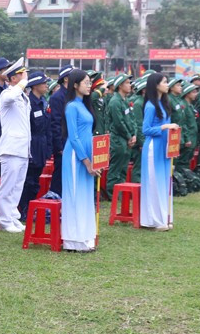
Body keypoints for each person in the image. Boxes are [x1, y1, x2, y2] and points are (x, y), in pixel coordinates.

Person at [61, 70, 101, 253]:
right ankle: (72, 240)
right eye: (85, 82)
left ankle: (85, 236)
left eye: (89, 82)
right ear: (75, 85)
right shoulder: (71, 106)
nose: (89, 85)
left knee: (85, 196)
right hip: (75, 157)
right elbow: (74, 137)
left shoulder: (84, 105)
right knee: (75, 195)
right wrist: (86, 162)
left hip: (88, 156)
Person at [0, 58, 30, 233]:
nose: (26, 77)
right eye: (21, 75)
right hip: (11, 148)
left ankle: (13, 216)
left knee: (18, 185)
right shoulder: (7, 94)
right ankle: (4, 219)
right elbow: (11, 96)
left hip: (23, 148)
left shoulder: (23, 95)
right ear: (14, 78)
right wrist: (22, 84)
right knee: (8, 186)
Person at [139, 73, 176, 231]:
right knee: (154, 182)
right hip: (153, 147)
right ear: (155, 85)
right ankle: (154, 220)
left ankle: (165, 216)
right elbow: (146, 129)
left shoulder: (164, 103)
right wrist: (164, 127)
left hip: (165, 147)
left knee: (164, 181)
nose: (167, 85)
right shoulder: (150, 105)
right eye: (165, 82)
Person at [19, 70, 51, 218]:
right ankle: (24, 209)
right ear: (35, 85)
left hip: (42, 145)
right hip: (31, 145)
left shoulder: (44, 102)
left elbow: (48, 126)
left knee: (35, 179)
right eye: (44, 83)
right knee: (29, 180)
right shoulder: (28, 102)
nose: (46, 85)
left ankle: (30, 207)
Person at [104, 74, 136, 200]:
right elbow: (119, 123)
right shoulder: (115, 102)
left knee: (123, 168)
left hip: (126, 139)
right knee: (116, 167)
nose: (130, 85)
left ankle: (121, 192)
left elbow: (131, 119)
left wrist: (134, 135)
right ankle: (113, 193)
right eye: (127, 83)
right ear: (120, 86)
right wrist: (129, 136)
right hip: (118, 139)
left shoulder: (125, 101)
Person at [47, 66, 72, 196]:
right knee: (60, 174)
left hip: (72, 140)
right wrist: (59, 146)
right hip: (63, 142)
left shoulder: (73, 96)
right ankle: (55, 199)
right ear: (66, 79)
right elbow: (55, 123)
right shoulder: (57, 97)